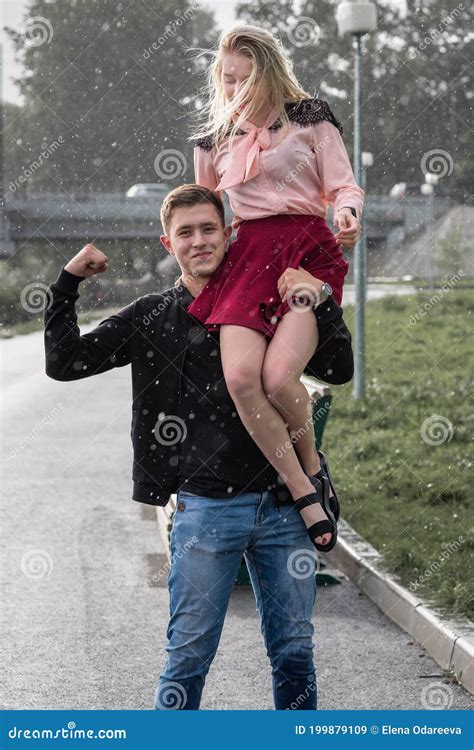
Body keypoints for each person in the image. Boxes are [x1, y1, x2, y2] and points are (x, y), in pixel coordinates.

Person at [44, 184, 353, 710]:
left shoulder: (273, 299)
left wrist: (317, 300)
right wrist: (68, 281)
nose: (199, 241)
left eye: (209, 228)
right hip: (206, 510)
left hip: (287, 510)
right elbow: (66, 361)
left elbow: (338, 370)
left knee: (295, 652)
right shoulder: (151, 316)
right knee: (187, 657)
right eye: (186, 233)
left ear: (230, 233)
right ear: (169, 244)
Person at [187, 25, 364, 553]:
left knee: (280, 376)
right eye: (226, 80)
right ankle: (302, 487)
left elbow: (343, 183)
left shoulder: (310, 116)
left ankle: (312, 467)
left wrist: (348, 212)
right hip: (246, 258)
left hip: (306, 253)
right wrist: (191, 254)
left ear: (266, 73)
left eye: (242, 79)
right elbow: (208, 208)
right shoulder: (212, 138)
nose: (233, 89)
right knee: (243, 379)